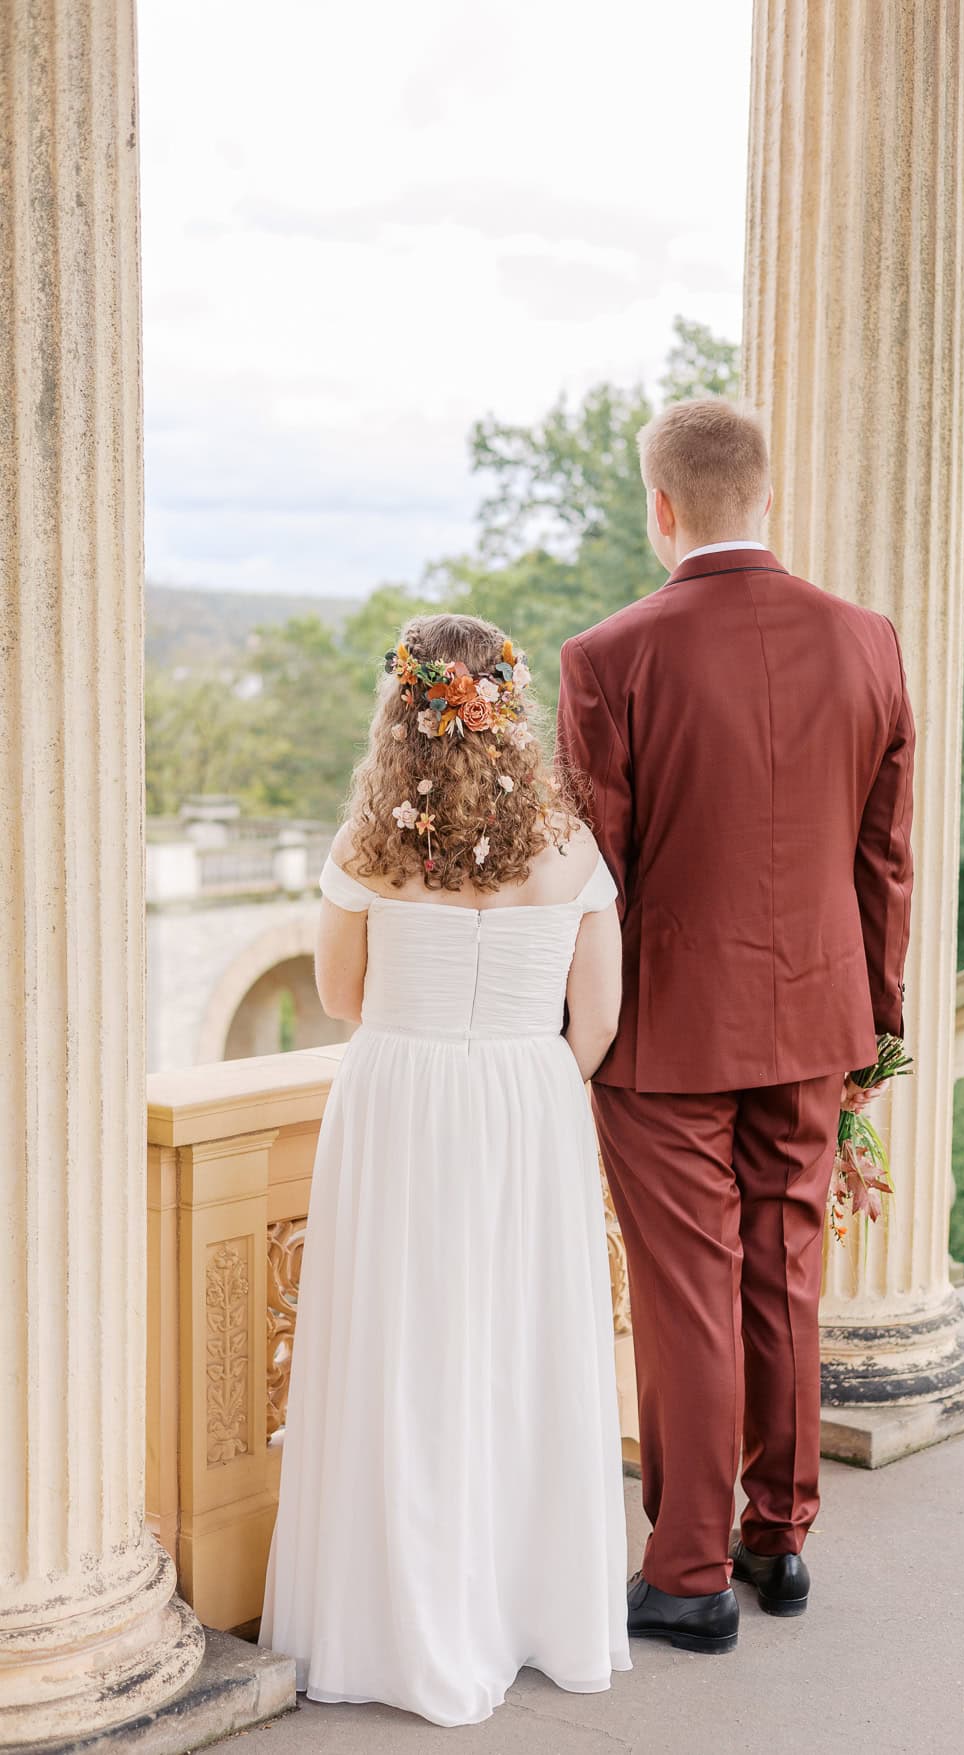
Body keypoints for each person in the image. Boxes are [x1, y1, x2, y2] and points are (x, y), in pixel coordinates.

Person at [557, 398, 914, 1654]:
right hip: (818, 1015)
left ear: (662, 505)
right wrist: (880, 1027)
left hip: (664, 1034)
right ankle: (782, 1537)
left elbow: (593, 875)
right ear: (767, 492)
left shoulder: (609, 656)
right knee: (785, 1273)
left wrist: (561, 1039)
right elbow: (885, 859)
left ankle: (692, 1572)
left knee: (688, 1296)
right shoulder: (867, 640)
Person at [260, 613, 631, 1725]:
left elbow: (339, 995)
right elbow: (600, 1019)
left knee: (401, 1348)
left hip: (401, 1097)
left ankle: (403, 1616)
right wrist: (524, 1078)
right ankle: (525, 1612)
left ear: (402, 710)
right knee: (519, 1350)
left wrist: (434, 1037)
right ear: (506, 705)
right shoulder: (569, 843)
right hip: (528, 1099)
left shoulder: (368, 843)